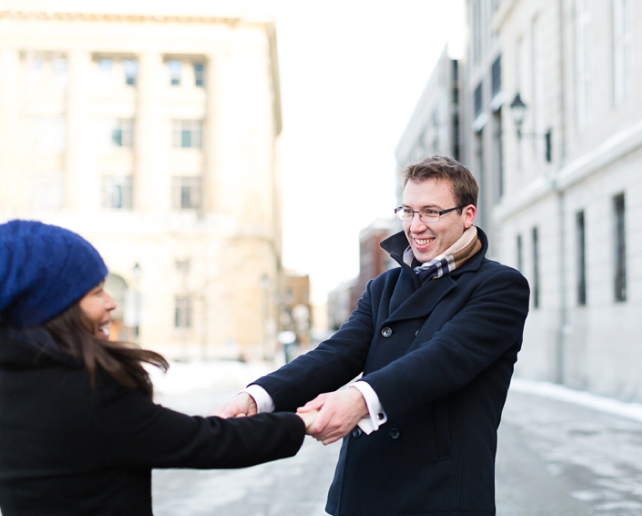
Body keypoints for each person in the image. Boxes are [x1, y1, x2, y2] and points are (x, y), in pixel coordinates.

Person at [217, 156, 530, 516]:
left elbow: (444, 359)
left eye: (431, 212)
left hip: (440, 493)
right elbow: (337, 353)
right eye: (408, 211)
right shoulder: (384, 286)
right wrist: (259, 397)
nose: (416, 226)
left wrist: (359, 399)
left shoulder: (499, 286)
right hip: (363, 491)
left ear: (467, 215)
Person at [0, 220, 315, 516]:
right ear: (53, 307)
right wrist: (301, 423)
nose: (111, 302)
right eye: (96, 292)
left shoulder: (13, 377)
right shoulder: (86, 391)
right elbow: (207, 443)